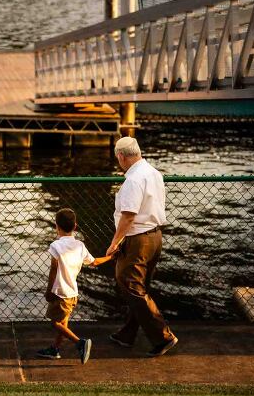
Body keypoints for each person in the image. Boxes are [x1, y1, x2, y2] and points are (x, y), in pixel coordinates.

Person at [106, 136, 178, 357]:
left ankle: (163, 337)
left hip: (137, 239)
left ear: (121, 156)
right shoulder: (153, 173)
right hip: (155, 236)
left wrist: (114, 243)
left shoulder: (133, 180)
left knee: (129, 284)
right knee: (140, 287)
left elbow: (128, 217)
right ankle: (127, 334)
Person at [37, 208, 113, 364]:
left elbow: (53, 269)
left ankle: (80, 343)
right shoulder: (80, 246)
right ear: (75, 226)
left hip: (60, 292)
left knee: (55, 323)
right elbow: (95, 262)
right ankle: (55, 349)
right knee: (63, 322)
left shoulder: (56, 246)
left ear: (56, 226)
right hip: (73, 293)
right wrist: (111, 256)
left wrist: (49, 290)